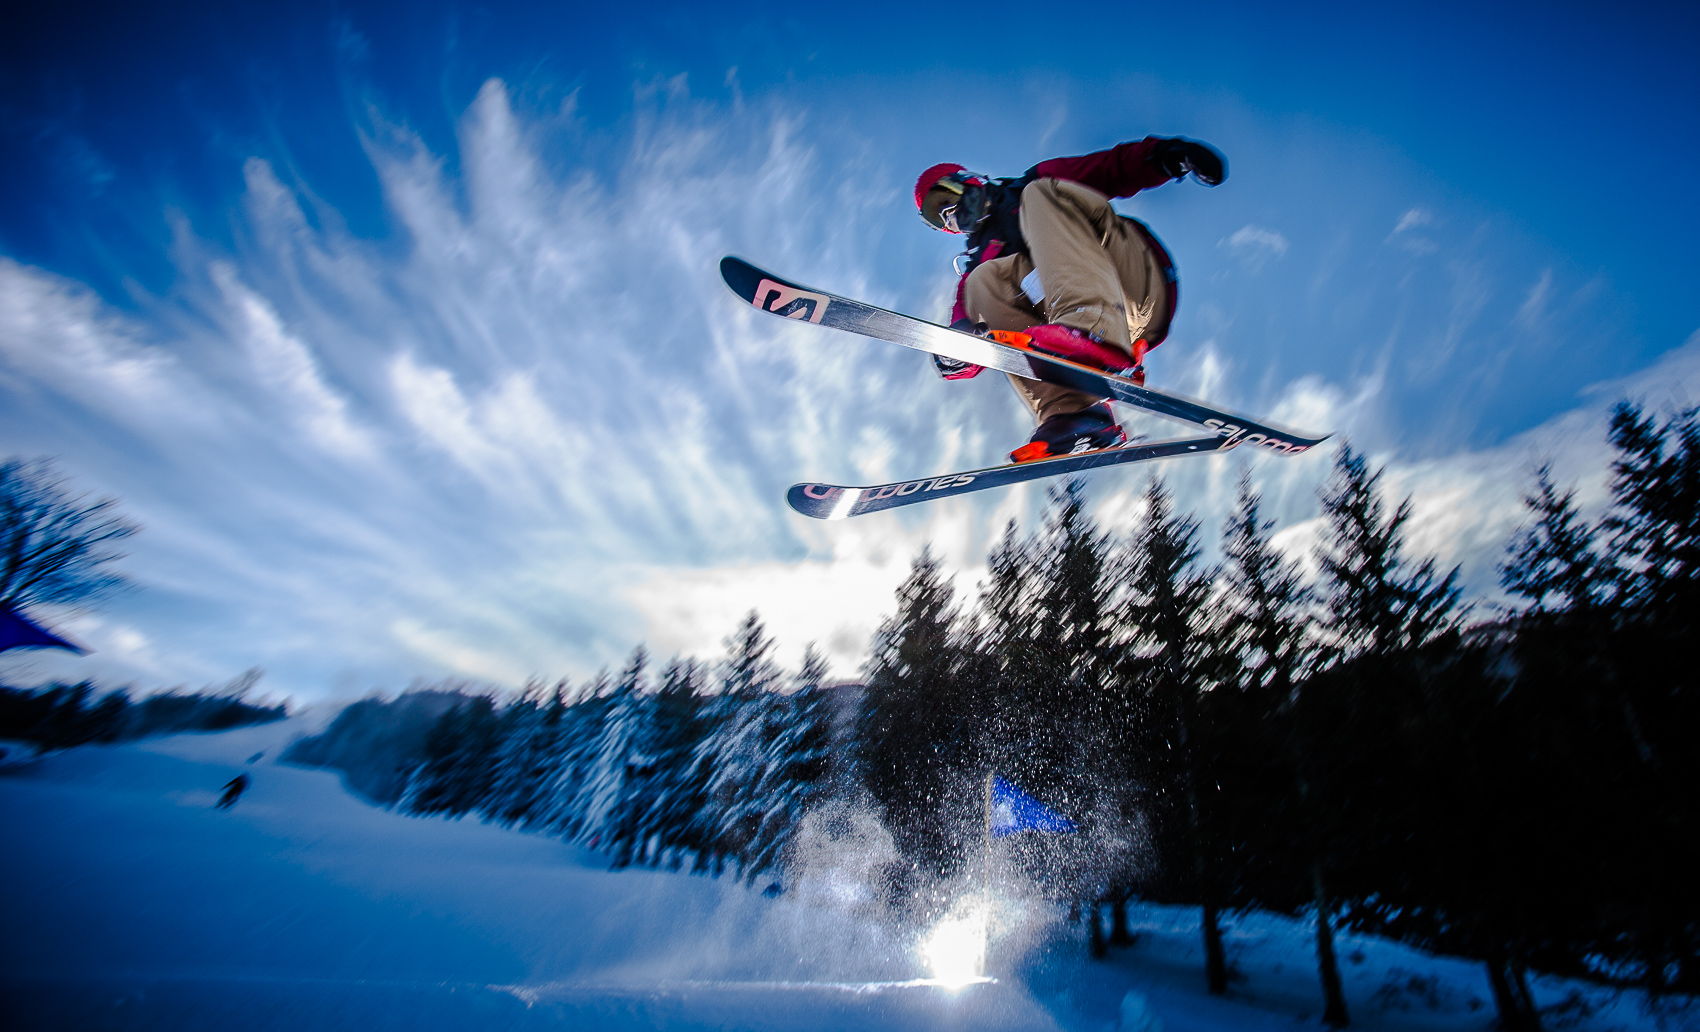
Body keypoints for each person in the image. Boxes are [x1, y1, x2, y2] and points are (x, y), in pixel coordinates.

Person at [913, 136, 1226, 462]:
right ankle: (1072, 412)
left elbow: (1110, 170)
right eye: (941, 218)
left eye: (947, 197)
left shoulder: (1031, 186)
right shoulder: (977, 266)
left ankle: (1092, 329)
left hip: (1132, 285)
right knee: (982, 280)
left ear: (969, 180)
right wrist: (954, 355)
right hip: (1072, 330)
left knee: (1041, 193)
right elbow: (965, 334)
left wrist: (1166, 156)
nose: (952, 212)